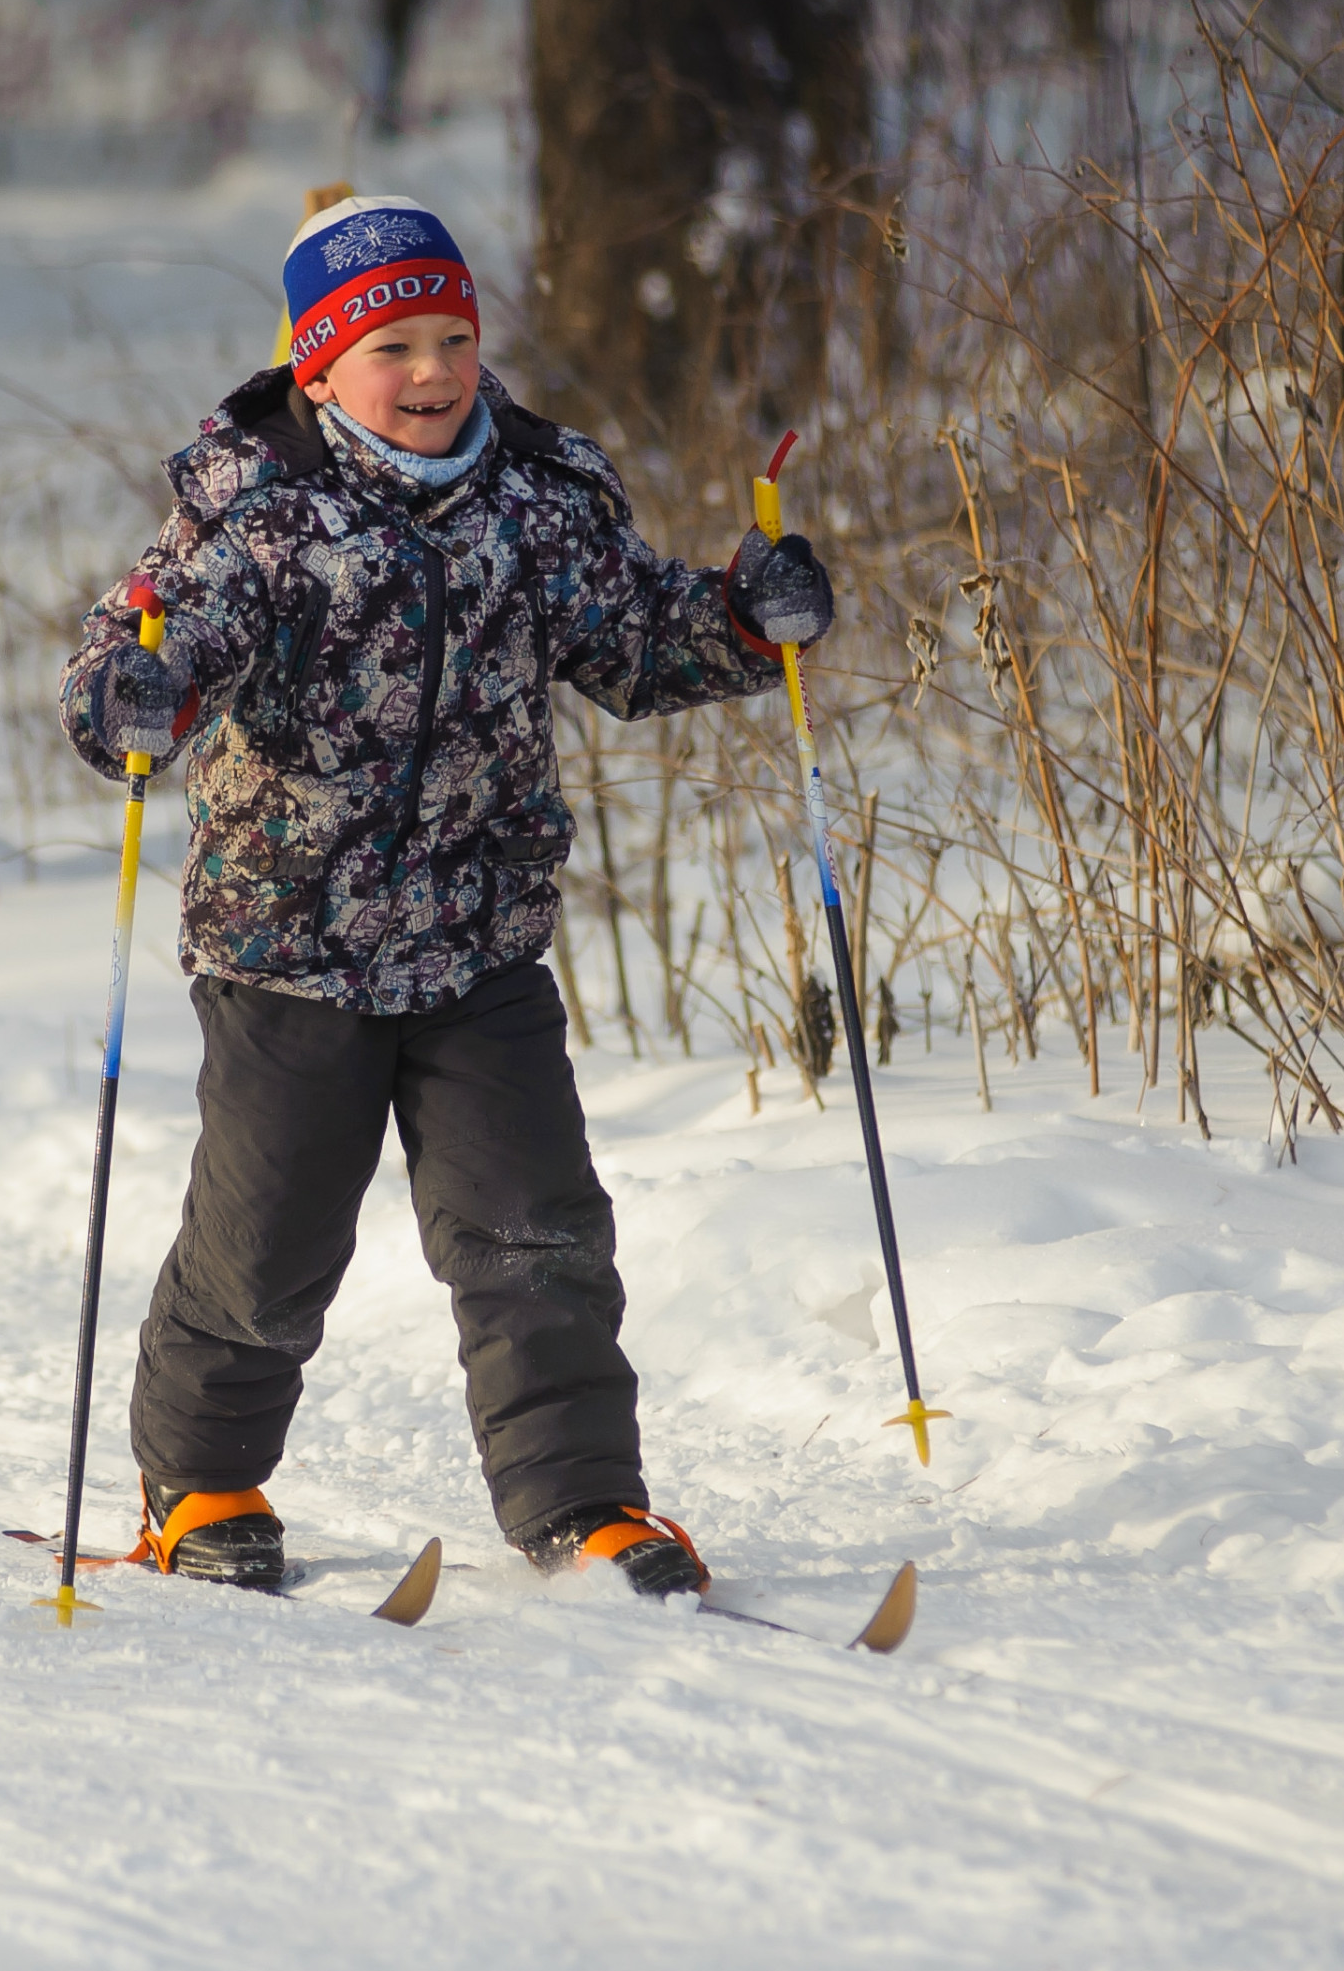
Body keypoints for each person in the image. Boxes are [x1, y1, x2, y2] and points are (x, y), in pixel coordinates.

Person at [58, 194, 832, 1601]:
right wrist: (133, 695)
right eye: (393, 345)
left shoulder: (538, 499)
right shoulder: (259, 512)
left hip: (480, 946)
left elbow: (635, 641)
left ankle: (585, 1502)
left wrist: (735, 613)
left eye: (454, 337)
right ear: (318, 368)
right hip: (288, 947)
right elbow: (146, 641)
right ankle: (203, 1480)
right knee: (267, 1244)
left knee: (536, 1229)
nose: (431, 371)